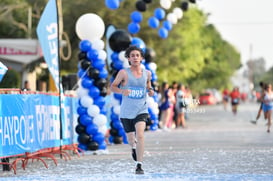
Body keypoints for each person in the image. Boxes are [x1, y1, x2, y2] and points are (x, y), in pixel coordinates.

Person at [110, 46, 154, 174]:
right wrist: (122, 91)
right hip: (127, 111)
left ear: (141, 58)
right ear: (128, 58)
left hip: (141, 109)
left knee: (140, 135)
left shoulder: (147, 73)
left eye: (137, 55)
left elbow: (148, 86)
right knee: (130, 139)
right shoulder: (123, 73)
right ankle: (133, 147)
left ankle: (139, 165)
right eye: (132, 55)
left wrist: (150, 91)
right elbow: (112, 87)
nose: (135, 57)